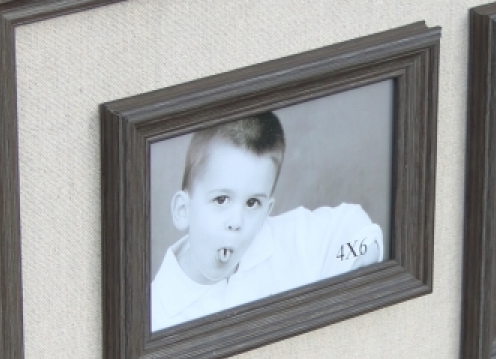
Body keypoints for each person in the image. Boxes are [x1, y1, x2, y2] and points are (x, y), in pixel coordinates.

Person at [150, 111, 383, 331]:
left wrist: (335, 294)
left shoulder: (292, 243)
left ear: (267, 211)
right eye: (221, 200)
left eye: (252, 203)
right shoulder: (157, 315)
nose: (237, 222)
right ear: (183, 210)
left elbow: (360, 236)